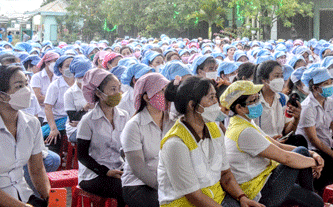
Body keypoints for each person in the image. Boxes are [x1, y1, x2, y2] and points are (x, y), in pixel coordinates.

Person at [221, 81, 324, 207]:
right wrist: (316, 162)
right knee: (315, 200)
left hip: (266, 179)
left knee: (303, 153)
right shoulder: (244, 131)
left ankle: (309, 199)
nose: (258, 102)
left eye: (258, 98)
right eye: (253, 100)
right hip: (258, 192)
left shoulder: (244, 122)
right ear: (239, 108)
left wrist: (313, 154)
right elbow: (286, 158)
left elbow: (279, 145)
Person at [158, 76, 254, 207]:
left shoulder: (214, 129)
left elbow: (225, 174)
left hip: (216, 199)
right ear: (192, 105)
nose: (216, 102)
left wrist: (242, 197)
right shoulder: (175, 143)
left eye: (215, 96)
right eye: (211, 98)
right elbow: (194, 196)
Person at [0, 65, 51, 207]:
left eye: (26, 84)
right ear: (0, 96)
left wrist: (50, 197)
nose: (27, 90)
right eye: (19, 86)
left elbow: (37, 170)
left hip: (22, 194)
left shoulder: (32, 124)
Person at [77, 68, 128, 207]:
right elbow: (82, 156)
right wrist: (106, 171)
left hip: (117, 168)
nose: (117, 93)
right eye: (113, 89)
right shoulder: (88, 120)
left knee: (139, 185)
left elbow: (126, 147)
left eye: (118, 88)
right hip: (93, 174)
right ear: (99, 93)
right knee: (123, 189)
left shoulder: (124, 116)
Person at [121, 73, 173, 207]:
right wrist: (164, 187)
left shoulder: (173, 121)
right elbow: (139, 169)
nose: (166, 95)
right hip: (138, 184)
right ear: (147, 97)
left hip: (169, 181)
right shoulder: (134, 126)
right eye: (162, 91)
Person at [253, 60, 305, 147]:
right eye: (276, 76)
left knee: (299, 139)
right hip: (262, 146)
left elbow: (287, 131)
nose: (280, 80)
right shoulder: (254, 101)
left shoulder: (283, 99)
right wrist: (270, 141)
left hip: (281, 143)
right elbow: (250, 134)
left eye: (281, 76)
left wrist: (296, 119)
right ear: (264, 80)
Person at [42, 54, 74, 154]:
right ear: (60, 69)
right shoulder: (55, 85)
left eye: (73, 66)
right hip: (56, 121)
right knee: (54, 139)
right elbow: (48, 108)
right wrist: (53, 128)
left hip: (73, 121)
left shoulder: (80, 83)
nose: (70, 69)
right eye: (67, 66)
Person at [64, 56, 93, 143]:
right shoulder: (70, 93)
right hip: (74, 129)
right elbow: (73, 119)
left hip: (94, 126)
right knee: (92, 136)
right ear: (74, 75)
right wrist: (85, 108)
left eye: (86, 75)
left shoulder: (96, 89)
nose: (84, 79)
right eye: (81, 76)